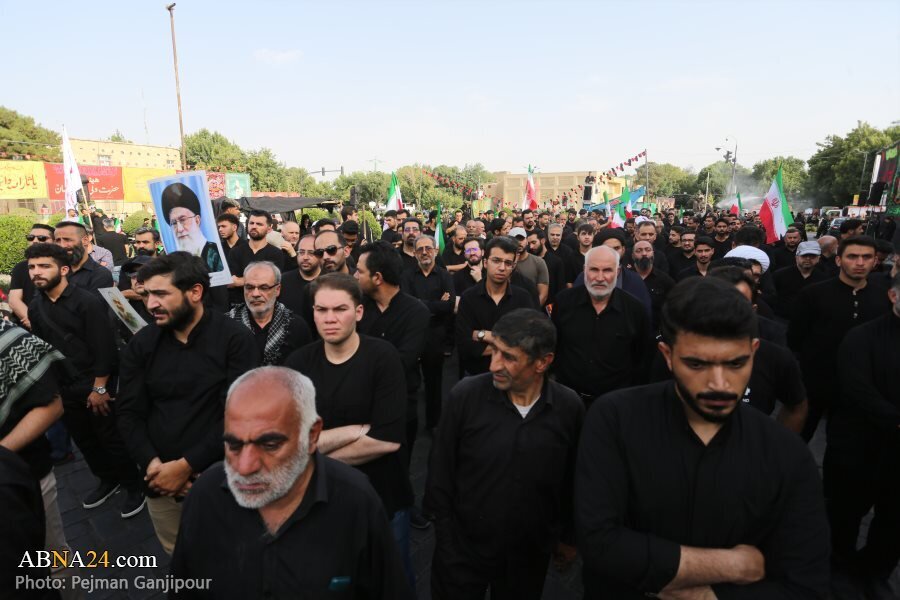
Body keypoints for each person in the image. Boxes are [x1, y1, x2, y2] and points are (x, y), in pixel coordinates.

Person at [576, 276, 830, 599]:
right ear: (667, 355)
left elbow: (807, 585)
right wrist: (734, 566)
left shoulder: (785, 453)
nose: (719, 384)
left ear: (754, 351)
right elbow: (598, 542)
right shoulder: (615, 419)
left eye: (735, 363)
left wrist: (706, 595)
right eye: (696, 364)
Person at [169, 366, 412, 599]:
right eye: (234, 445)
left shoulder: (356, 501)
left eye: (270, 445)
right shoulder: (205, 496)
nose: (244, 467)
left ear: (312, 435)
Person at [425, 309, 583, 600]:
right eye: (494, 350)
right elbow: (440, 473)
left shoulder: (568, 408)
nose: (494, 364)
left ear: (543, 362)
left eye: (509, 357)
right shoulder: (465, 396)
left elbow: (571, 479)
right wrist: (447, 542)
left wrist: (566, 537)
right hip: (462, 553)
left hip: (527, 556)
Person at [117, 252, 259, 553]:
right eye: (147, 294)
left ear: (195, 292)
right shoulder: (141, 345)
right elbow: (128, 413)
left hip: (224, 480)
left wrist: (186, 466)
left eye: (161, 294)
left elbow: (240, 415)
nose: (150, 304)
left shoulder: (235, 339)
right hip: (160, 484)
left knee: (235, 558)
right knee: (182, 558)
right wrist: (155, 467)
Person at [284, 274, 415, 587]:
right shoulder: (298, 363)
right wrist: (357, 431)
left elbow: (386, 441)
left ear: (358, 312)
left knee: (392, 583)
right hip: (321, 503)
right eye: (321, 310)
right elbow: (292, 442)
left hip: (382, 498)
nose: (329, 318)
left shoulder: (383, 357)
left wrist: (312, 458)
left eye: (339, 309)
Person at [25, 243, 144, 518]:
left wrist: (100, 387)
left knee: (111, 438)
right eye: (32, 267)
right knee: (85, 440)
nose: (36, 272)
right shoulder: (36, 307)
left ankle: (133, 486)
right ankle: (107, 479)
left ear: (63, 270)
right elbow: (44, 349)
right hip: (64, 387)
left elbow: (104, 347)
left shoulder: (86, 302)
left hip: (96, 382)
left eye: (44, 266)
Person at [824, 273, 900, 596]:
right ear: (893, 296)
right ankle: (837, 569)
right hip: (859, 445)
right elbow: (857, 387)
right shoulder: (862, 336)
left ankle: (875, 571)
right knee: (845, 512)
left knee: (894, 519)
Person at [788, 236, 890, 441]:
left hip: (859, 389)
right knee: (795, 440)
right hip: (814, 382)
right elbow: (795, 338)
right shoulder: (813, 295)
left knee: (844, 445)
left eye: (866, 257)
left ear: (875, 262)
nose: (860, 263)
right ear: (838, 260)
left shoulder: (883, 298)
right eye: (852, 256)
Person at [0, 320, 78, 589]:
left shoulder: (6, 337)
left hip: (23, 482)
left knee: (53, 566)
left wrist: (2, 457)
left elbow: (52, 407)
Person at [553, 246, 650, 407]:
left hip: (616, 404)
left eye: (607, 270)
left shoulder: (635, 310)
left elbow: (641, 360)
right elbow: (555, 348)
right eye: (594, 270)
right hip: (567, 402)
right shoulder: (563, 302)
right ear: (585, 270)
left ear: (617, 272)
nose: (599, 277)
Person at [456, 236, 537, 375]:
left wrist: (482, 335)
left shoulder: (523, 298)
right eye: (496, 261)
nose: (502, 268)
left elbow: (529, 341)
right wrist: (510, 344)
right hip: (476, 375)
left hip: (514, 375)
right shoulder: (469, 298)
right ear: (485, 262)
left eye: (508, 263)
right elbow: (465, 345)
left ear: (513, 266)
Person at [402, 236, 454, 433]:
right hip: (412, 336)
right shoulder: (406, 276)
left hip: (435, 336)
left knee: (434, 383)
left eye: (428, 248)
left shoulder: (444, 275)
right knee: (409, 383)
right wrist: (436, 304)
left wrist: (419, 303)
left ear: (435, 250)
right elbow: (407, 306)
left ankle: (434, 424)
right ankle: (410, 425)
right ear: (414, 253)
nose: (424, 252)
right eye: (420, 249)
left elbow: (449, 306)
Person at [227, 261, 311, 366]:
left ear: (277, 289)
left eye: (264, 288)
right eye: (249, 287)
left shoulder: (296, 326)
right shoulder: (227, 325)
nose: (255, 294)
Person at [160, 182, 224, 273]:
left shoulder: (216, 253)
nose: (179, 229)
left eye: (183, 220)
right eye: (174, 223)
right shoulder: (172, 259)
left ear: (197, 220)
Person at [9, 224, 55, 329]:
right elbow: (14, 300)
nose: (35, 241)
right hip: (26, 329)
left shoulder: (64, 266)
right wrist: (32, 322)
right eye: (30, 237)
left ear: (55, 241)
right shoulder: (20, 267)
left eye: (42, 238)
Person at [53, 221, 113, 295]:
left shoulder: (101, 274)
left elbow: (93, 302)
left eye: (68, 240)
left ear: (85, 240)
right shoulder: (54, 271)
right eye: (58, 240)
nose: (62, 245)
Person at [772, 241, 827, 319]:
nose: (808, 259)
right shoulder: (779, 275)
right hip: (782, 320)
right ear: (796, 257)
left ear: (818, 258)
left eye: (812, 256)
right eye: (804, 255)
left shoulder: (823, 278)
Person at [631, 239, 675, 332]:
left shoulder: (665, 281)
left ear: (653, 254)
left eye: (648, 250)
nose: (644, 254)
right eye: (639, 251)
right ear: (633, 255)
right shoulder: (624, 278)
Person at [277, 234, 321, 317]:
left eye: (311, 253)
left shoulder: (330, 282)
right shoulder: (283, 280)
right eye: (301, 252)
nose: (305, 257)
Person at [508, 227, 549, 305]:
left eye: (521, 239)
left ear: (527, 241)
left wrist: (532, 310)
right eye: (515, 239)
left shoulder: (539, 262)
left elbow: (543, 294)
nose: (519, 242)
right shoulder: (504, 262)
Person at [526, 229, 568, 303]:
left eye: (534, 242)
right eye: (529, 243)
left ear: (543, 241)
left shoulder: (556, 261)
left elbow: (561, 288)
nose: (531, 246)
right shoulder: (527, 259)